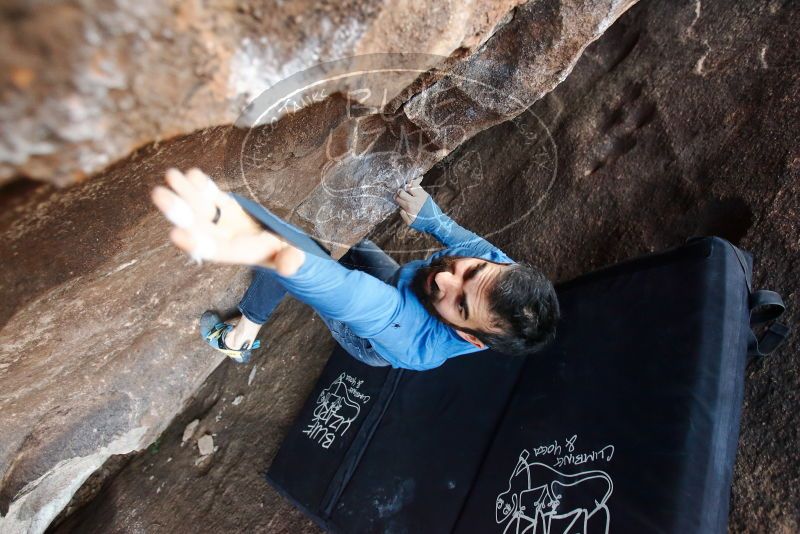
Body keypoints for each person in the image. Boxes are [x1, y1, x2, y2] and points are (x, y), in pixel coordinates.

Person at [151, 168, 560, 370]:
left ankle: (239, 338)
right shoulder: (501, 275)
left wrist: (285, 257)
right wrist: (431, 218)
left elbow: (362, 301)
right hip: (398, 287)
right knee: (336, 241)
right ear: (504, 265)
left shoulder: (418, 343)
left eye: (461, 304)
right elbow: (474, 247)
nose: (446, 278)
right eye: (471, 272)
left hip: (372, 337)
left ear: (471, 339)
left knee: (301, 257)